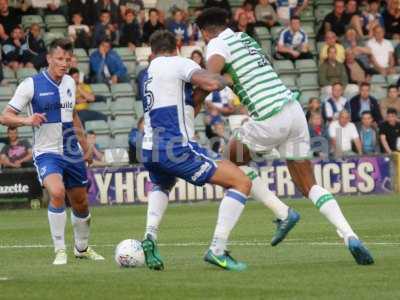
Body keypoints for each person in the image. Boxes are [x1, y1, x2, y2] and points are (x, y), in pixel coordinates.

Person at [197, 7, 374, 265]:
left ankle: (278, 214)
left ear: (203, 31)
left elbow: (209, 78)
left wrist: (193, 102)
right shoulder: (245, 40)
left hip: (269, 115)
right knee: (309, 185)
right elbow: (240, 75)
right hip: (293, 110)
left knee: (230, 163)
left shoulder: (216, 43)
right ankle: (350, 235)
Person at [140, 30, 251, 271]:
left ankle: (150, 236)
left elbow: (188, 106)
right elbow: (211, 81)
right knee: (241, 182)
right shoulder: (178, 62)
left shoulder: (148, 73)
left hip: (150, 148)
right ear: (178, 46)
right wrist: (230, 79)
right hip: (176, 148)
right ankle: (217, 250)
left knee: (162, 184)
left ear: (151, 51)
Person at [1, 39, 104, 265]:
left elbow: (73, 116)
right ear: (49, 59)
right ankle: (60, 250)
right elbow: (5, 116)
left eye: (67, 59)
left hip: (72, 151)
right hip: (47, 152)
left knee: (81, 204)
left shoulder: (69, 82)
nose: (64, 63)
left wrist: (86, 148)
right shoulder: (31, 84)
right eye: (59, 59)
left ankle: (82, 248)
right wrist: (27, 119)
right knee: (57, 192)